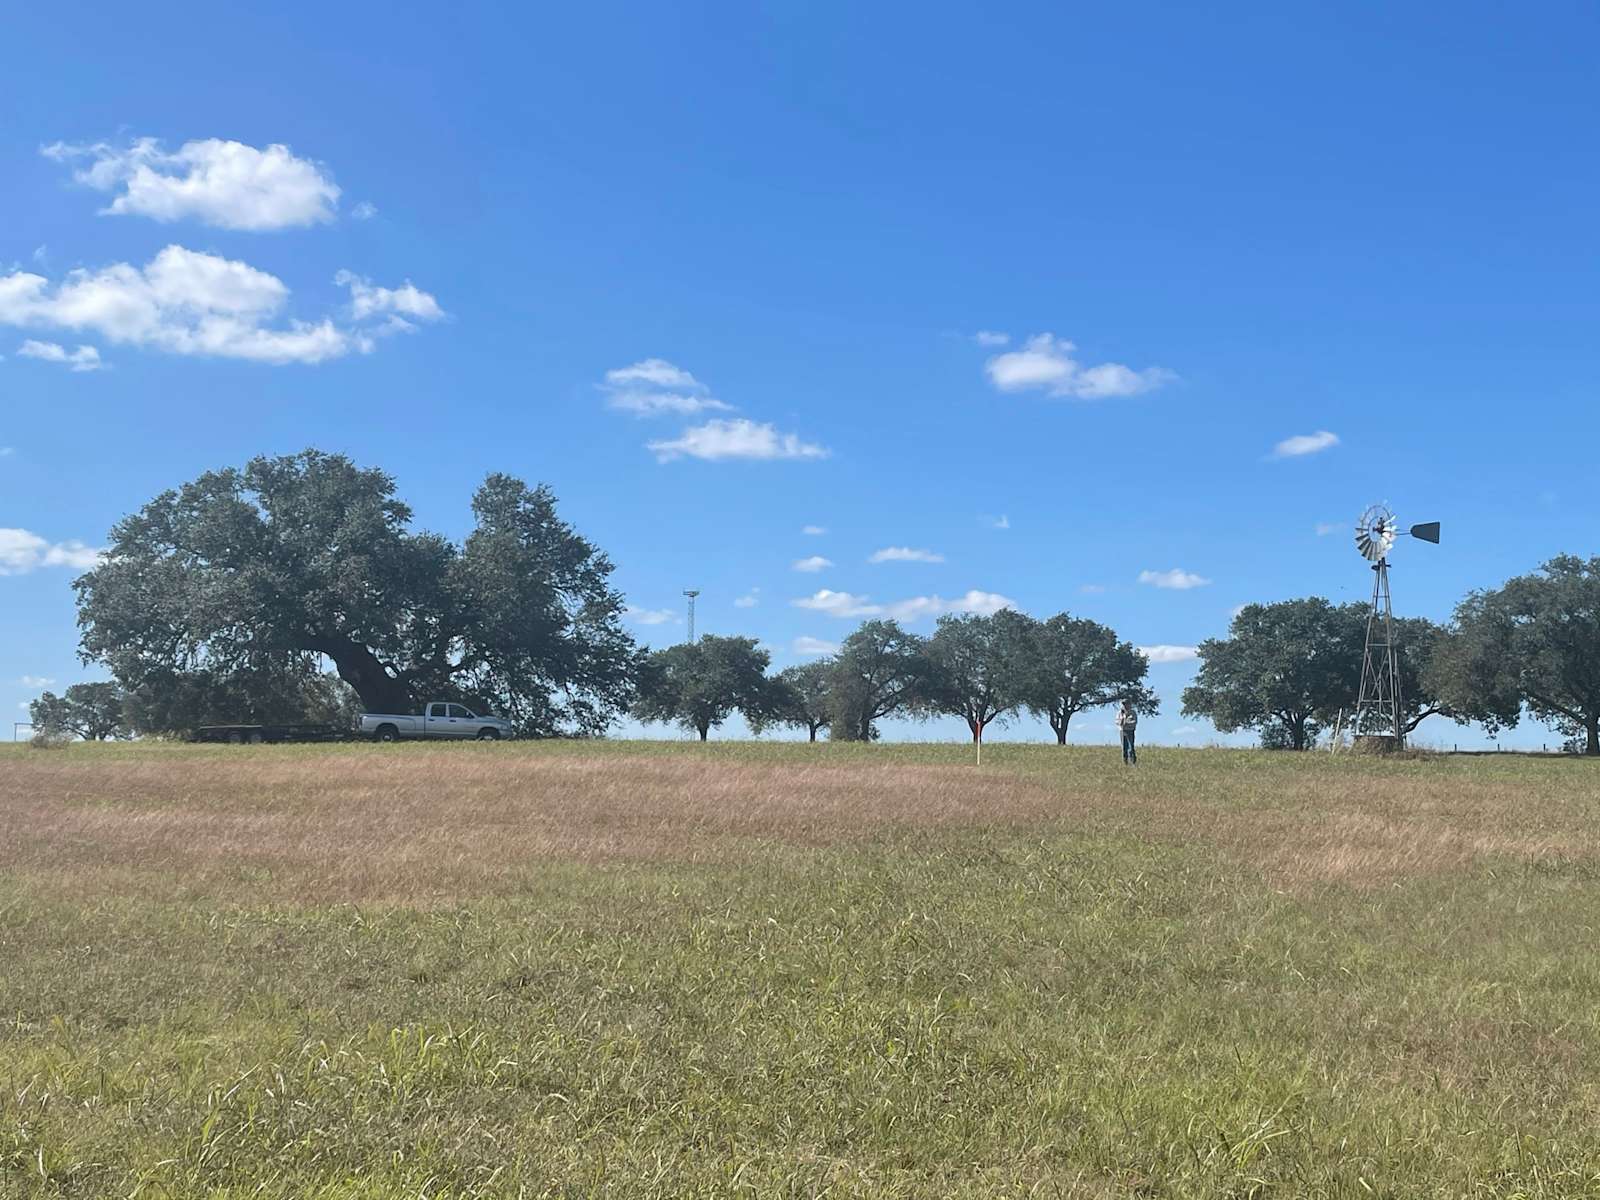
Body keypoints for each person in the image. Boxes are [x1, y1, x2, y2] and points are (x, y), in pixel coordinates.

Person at [1116, 700, 1138, 765]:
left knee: (1131, 747)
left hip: (1130, 731)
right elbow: (1117, 722)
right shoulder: (1119, 713)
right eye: (1124, 704)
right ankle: (1125, 762)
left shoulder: (1133, 712)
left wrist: (1126, 723)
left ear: (1130, 704)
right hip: (1122, 731)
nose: (1125, 705)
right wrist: (1123, 719)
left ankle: (1133, 761)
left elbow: (1134, 722)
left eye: (1127, 704)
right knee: (1124, 747)